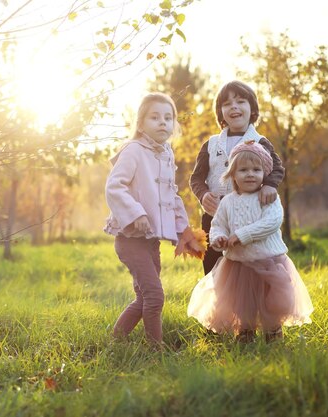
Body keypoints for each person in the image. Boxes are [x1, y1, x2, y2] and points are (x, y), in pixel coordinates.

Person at [187, 141, 313, 343]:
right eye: (243, 170)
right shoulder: (228, 201)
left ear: (264, 173)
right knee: (242, 303)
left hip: (268, 262)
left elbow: (271, 222)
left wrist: (243, 235)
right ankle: (245, 334)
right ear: (233, 175)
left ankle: (273, 333)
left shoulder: (268, 197)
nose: (250, 174)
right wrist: (219, 238)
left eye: (256, 169)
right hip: (238, 265)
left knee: (271, 303)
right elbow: (218, 224)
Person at [104, 92, 204, 345]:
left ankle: (117, 338)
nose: (163, 123)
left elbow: (171, 196)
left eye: (168, 118)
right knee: (155, 296)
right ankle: (155, 349)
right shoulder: (133, 151)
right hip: (130, 239)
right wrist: (135, 212)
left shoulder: (165, 154)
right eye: (155, 117)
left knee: (144, 297)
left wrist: (184, 231)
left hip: (150, 241)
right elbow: (115, 186)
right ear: (140, 124)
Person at [189, 80, 285, 275]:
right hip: (215, 216)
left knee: (248, 269)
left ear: (252, 109)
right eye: (227, 104)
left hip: (249, 215)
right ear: (220, 112)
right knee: (213, 269)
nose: (234, 106)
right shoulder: (211, 144)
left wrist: (269, 185)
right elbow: (196, 178)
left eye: (240, 101)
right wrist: (203, 194)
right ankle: (218, 305)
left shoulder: (260, 142)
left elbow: (276, 168)